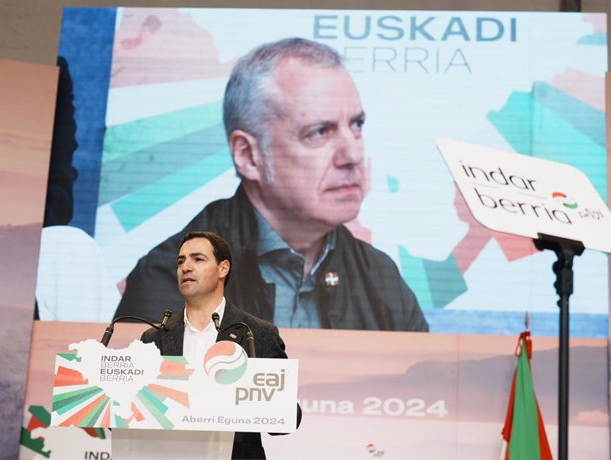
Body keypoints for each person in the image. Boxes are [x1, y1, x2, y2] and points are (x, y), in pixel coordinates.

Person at [115, 37, 428, 332]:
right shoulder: (173, 279)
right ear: (249, 156)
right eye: (319, 132)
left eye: (356, 125)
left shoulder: (381, 279)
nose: (353, 155)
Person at [140, 231, 299, 459]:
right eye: (181, 261)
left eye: (198, 259)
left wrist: (254, 393)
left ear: (223, 268)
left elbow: (287, 420)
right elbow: (132, 411)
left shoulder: (256, 333)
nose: (186, 267)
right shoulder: (153, 339)